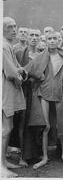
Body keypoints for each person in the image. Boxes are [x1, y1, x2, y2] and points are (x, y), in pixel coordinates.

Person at [24, 31, 63, 169]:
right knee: (46, 126)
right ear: (46, 41)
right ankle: (45, 157)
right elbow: (27, 70)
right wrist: (38, 76)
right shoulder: (41, 57)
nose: (52, 41)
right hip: (44, 92)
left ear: (59, 40)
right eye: (49, 39)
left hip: (60, 92)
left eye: (54, 38)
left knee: (60, 124)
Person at [2, 17, 27, 178]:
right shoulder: (3, 46)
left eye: (15, 26)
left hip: (9, 90)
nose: (14, 30)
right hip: (5, 90)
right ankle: (0, 167)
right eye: (9, 27)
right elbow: (12, 73)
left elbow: (18, 68)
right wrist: (20, 75)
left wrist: (20, 72)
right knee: (5, 129)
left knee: (8, 127)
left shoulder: (8, 46)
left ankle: (3, 160)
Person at [15, 29, 42, 167]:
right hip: (23, 91)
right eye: (31, 35)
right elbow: (17, 72)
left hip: (37, 91)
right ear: (27, 37)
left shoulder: (42, 55)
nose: (34, 38)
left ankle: (35, 153)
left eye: (37, 35)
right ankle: (23, 156)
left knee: (36, 123)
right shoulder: (20, 54)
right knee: (22, 122)